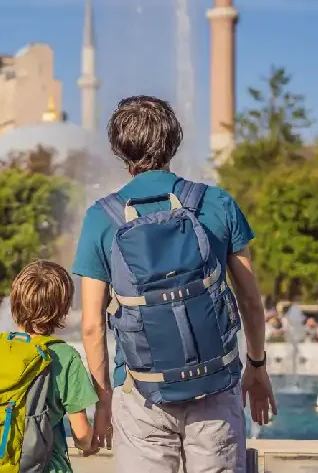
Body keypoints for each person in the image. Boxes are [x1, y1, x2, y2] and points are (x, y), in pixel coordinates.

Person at [73, 96, 276, 473]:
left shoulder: (101, 219)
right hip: (215, 387)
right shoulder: (216, 203)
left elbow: (90, 324)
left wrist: (103, 401)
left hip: (140, 394)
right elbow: (249, 299)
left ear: (119, 149)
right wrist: (257, 366)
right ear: (174, 142)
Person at [0, 261, 99, 473]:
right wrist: (88, 444)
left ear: (15, 302)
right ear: (63, 308)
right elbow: (82, 432)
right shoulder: (63, 356)